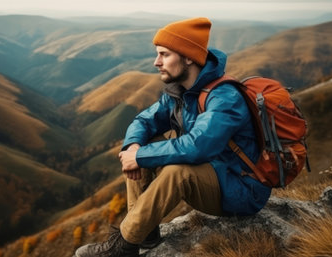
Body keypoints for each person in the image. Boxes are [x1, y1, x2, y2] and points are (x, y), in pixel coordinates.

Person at [75, 17, 272, 257]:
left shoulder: (225, 98)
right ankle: (144, 234)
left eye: (164, 55)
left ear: (188, 57)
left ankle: (124, 245)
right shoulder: (180, 93)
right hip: (213, 176)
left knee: (177, 171)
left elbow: (198, 146)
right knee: (143, 145)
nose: (156, 62)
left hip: (240, 190)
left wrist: (140, 156)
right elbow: (144, 120)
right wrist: (134, 147)